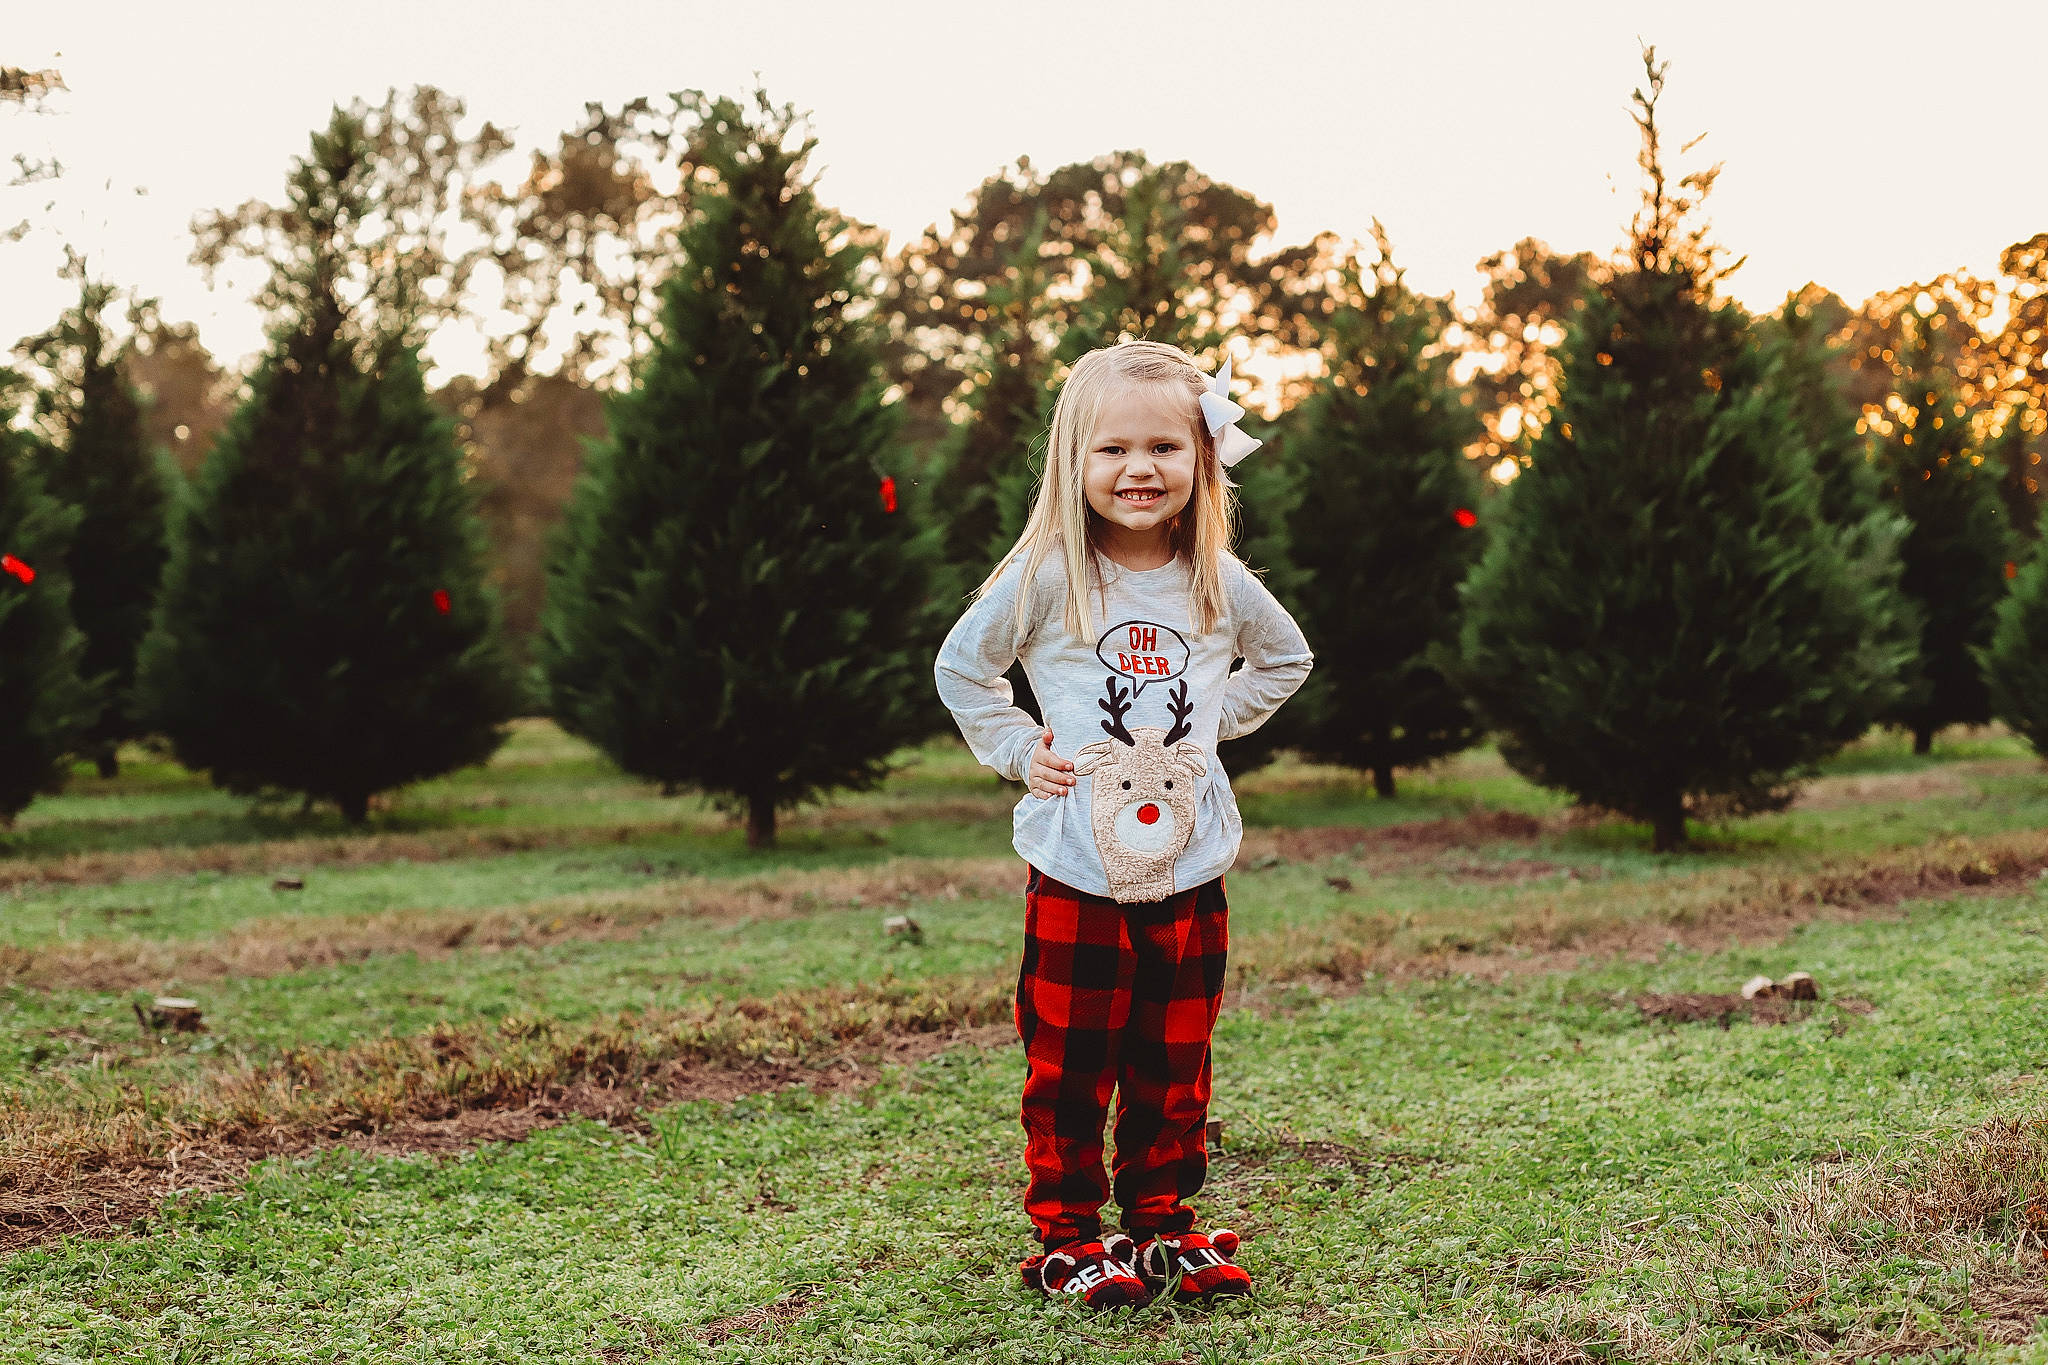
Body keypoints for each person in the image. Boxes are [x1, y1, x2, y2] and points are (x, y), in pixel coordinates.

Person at [933, 340, 1314, 1309]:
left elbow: (1285, 661)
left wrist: (1194, 734)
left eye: (1161, 447)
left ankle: (1159, 1224)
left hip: (1189, 859)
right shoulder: (1047, 576)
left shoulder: (1217, 580)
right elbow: (960, 669)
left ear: (1200, 458)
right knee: (1070, 1061)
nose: (1137, 469)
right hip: (1076, 864)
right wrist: (1024, 751)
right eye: (1110, 450)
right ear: (1072, 461)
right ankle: (1066, 1235)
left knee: (1173, 1056)